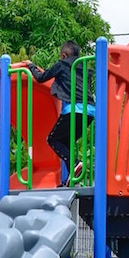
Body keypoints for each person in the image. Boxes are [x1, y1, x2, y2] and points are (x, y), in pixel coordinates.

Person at [27, 41, 96, 184]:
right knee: (66, 143)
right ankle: (70, 178)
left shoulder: (62, 65)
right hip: (89, 113)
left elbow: (41, 78)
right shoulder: (85, 69)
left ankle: (75, 164)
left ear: (64, 55)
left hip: (73, 110)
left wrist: (31, 65)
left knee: (53, 139)